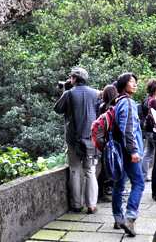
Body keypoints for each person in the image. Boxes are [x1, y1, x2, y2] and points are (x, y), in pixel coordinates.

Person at [53, 67, 99, 214]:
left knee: (75, 170)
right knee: (90, 171)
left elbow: (57, 109)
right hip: (90, 140)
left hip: (73, 139)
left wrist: (64, 93)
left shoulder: (69, 94)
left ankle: (77, 205)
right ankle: (92, 205)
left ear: (73, 79)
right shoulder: (94, 93)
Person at [112, 72, 145, 237]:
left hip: (119, 150)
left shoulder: (117, 102)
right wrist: (133, 150)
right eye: (131, 82)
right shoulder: (129, 103)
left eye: (135, 81)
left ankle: (118, 219)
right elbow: (128, 128)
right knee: (139, 183)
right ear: (123, 85)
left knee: (119, 184)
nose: (135, 84)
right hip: (128, 151)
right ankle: (130, 218)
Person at [96, 84, 118, 203]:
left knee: (105, 167)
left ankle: (102, 193)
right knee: (106, 169)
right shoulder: (112, 108)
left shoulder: (101, 106)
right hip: (111, 141)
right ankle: (100, 195)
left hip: (103, 141)